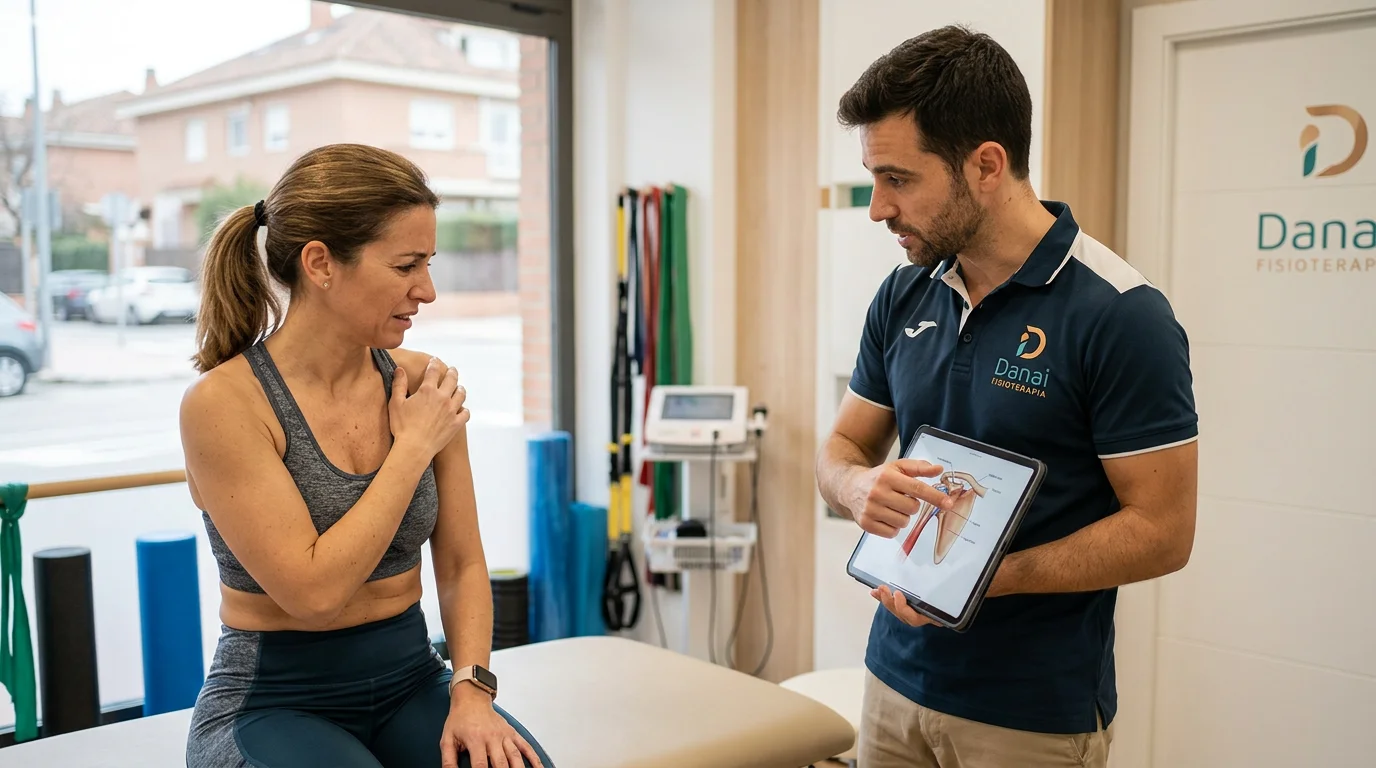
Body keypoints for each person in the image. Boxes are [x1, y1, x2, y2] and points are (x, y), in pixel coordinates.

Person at [814, 26, 1199, 768]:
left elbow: (1163, 531)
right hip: (892, 679)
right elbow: (842, 448)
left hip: (1030, 713)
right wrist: (857, 486)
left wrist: (980, 579)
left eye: (898, 179)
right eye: (873, 179)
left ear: (986, 165)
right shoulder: (903, 292)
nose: (877, 208)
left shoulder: (1120, 314)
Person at [179, 143, 553, 768]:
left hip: (412, 677)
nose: (427, 291)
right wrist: (411, 448)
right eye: (407, 265)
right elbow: (316, 594)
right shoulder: (225, 404)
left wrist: (471, 691)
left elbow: (461, 563)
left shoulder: (421, 384)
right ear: (321, 263)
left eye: (429, 263)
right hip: (274, 699)